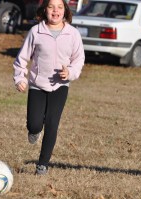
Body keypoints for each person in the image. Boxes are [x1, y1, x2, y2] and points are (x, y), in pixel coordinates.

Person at [13, 0, 85, 175]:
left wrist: (70, 73)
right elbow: (22, 59)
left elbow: (79, 59)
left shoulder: (73, 34)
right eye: (51, 7)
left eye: (60, 7)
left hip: (60, 86)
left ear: (65, 10)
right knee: (35, 124)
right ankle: (34, 130)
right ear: (45, 10)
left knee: (52, 124)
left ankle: (42, 164)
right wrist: (19, 78)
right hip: (38, 85)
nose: (55, 11)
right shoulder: (35, 32)